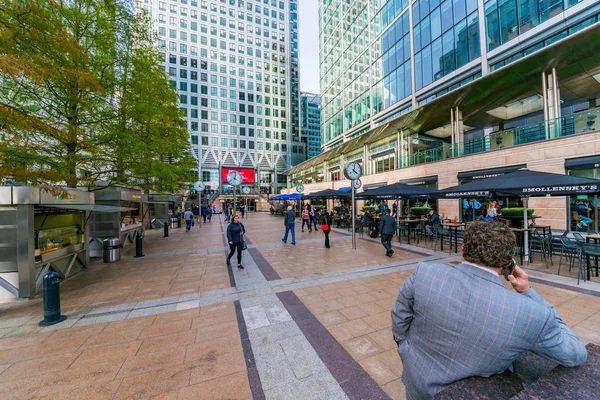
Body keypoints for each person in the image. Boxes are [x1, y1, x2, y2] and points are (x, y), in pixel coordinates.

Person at [391, 221, 587, 400]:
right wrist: (527, 291)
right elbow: (575, 354)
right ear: (508, 262)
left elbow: (399, 318)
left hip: (416, 381)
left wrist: (405, 348)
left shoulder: (425, 272)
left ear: (463, 250)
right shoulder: (532, 314)